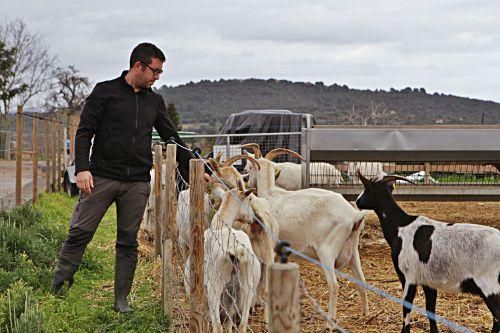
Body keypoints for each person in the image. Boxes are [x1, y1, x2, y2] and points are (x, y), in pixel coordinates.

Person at [50, 42, 194, 313]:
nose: (157, 77)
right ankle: (58, 287)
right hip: (101, 177)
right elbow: (85, 132)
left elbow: (170, 135)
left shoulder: (154, 101)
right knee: (80, 231)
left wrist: (199, 166)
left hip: (137, 183)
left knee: (128, 241)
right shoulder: (105, 92)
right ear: (138, 66)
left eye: (160, 72)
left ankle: (121, 302)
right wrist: (82, 168)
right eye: (155, 71)